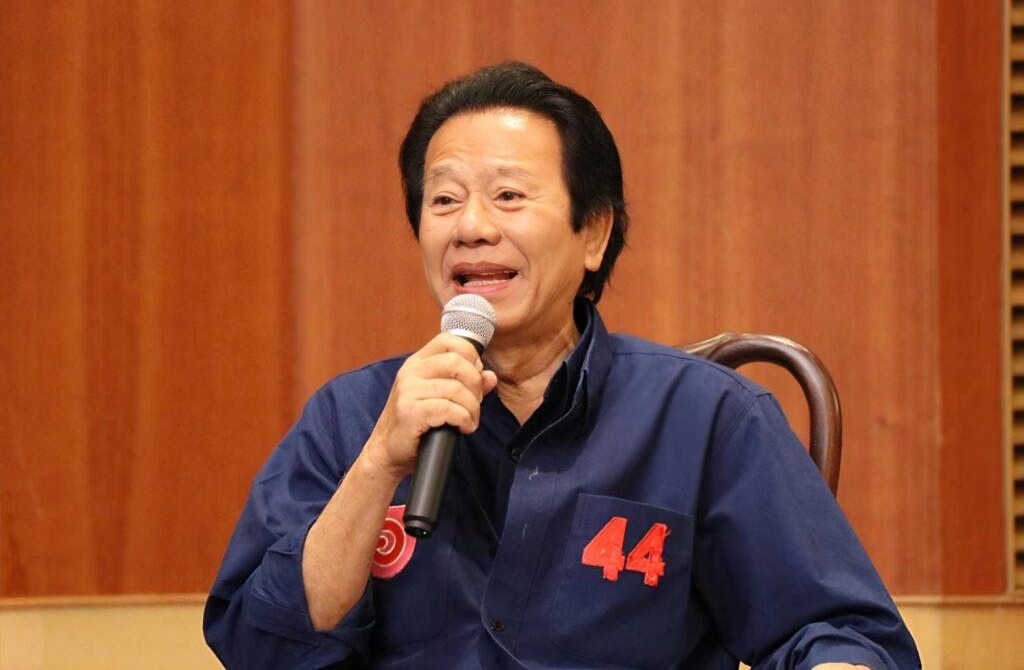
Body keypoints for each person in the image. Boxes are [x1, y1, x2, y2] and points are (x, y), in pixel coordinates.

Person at [204, 61, 920, 670]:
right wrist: (376, 467)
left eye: (509, 196)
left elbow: (839, 630)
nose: (471, 226)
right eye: (444, 199)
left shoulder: (708, 419)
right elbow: (259, 646)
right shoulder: (353, 416)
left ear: (595, 232)